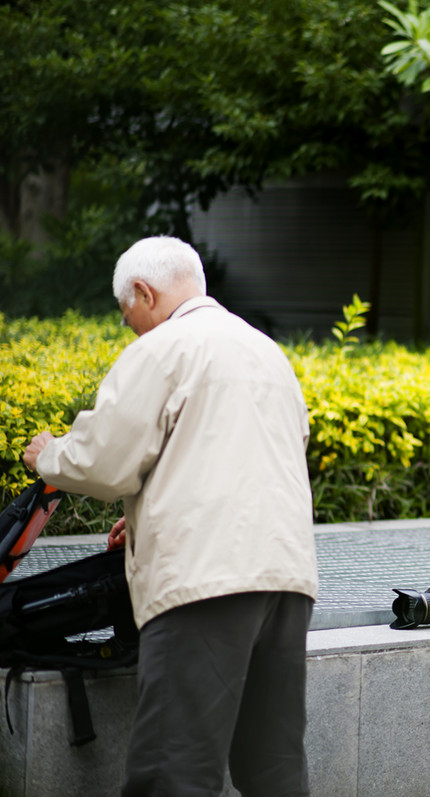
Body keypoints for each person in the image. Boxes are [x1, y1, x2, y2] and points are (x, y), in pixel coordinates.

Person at [22, 236, 319, 797]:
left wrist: (50, 456)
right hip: (286, 580)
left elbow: (105, 461)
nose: (129, 326)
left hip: (206, 584)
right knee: (273, 769)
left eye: (125, 312)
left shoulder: (164, 349)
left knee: (173, 770)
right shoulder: (266, 353)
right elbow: (246, 458)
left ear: (142, 292)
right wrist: (151, 517)